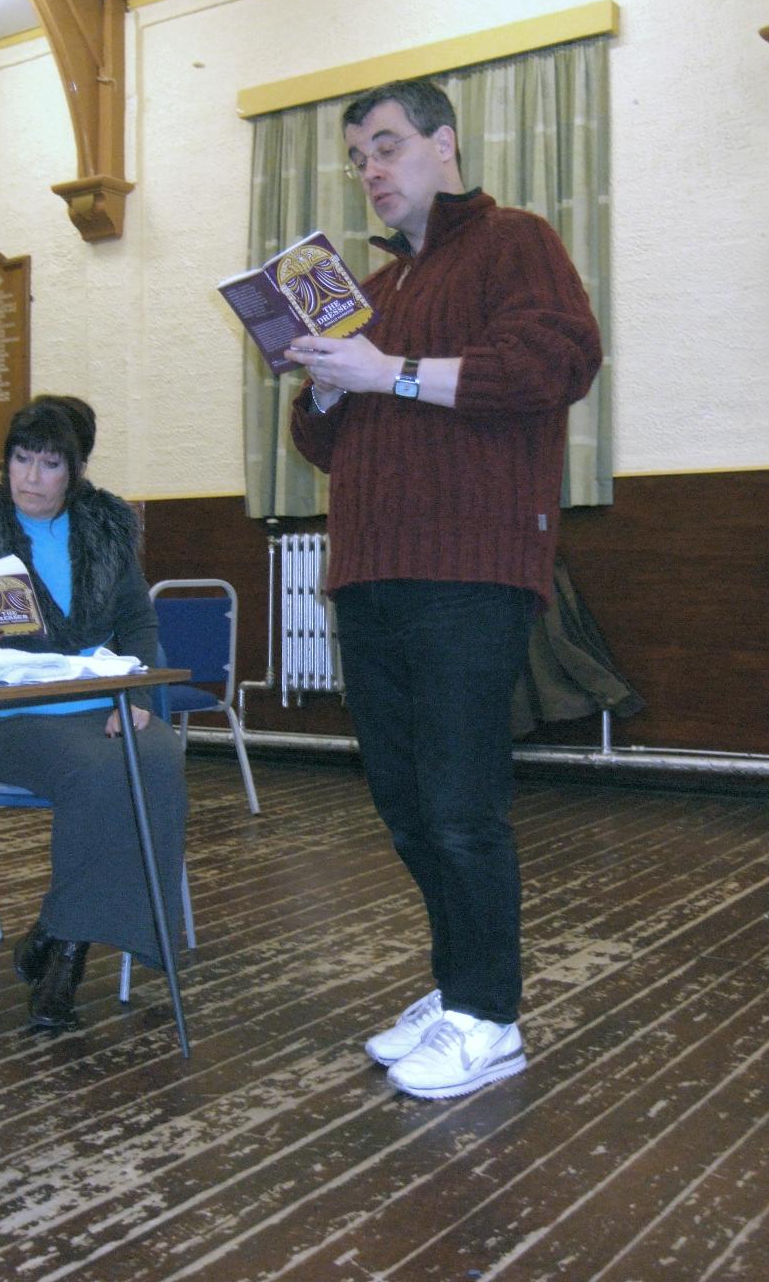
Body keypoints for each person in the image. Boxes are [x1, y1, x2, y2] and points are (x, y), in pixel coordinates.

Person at [285, 78, 602, 1100]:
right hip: (369, 572)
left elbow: (551, 366)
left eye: (386, 145)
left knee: (462, 807)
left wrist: (388, 372)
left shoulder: (515, 241)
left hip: (470, 570)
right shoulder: (372, 289)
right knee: (407, 805)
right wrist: (327, 383)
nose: (370, 170)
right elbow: (322, 443)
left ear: (445, 143)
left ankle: (490, 1016)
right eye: (357, 158)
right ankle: (458, 987)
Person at [0, 395, 187, 1032]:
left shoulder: (105, 528)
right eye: (21, 459)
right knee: (101, 775)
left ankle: (55, 935)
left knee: (158, 757)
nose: (31, 477)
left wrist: (138, 699)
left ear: (75, 471)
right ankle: (65, 961)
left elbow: (139, 622)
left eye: (49, 464)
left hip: (106, 705)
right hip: (23, 719)